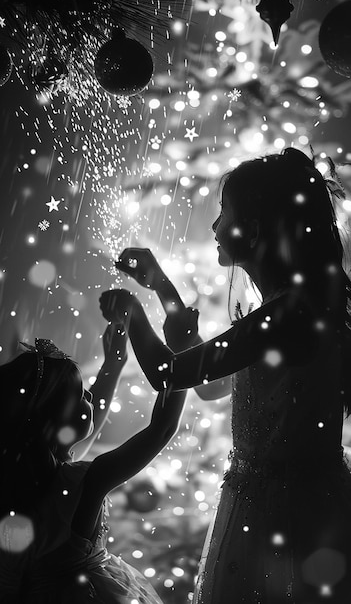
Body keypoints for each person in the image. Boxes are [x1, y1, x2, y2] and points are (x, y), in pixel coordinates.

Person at [100, 147, 351, 603]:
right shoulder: (285, 309)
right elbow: (213, 389)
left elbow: (166, 374)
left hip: (285, 514)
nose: (215, 226)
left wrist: (134, 312)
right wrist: (165, 291)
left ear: (253, 231)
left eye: (224, 213)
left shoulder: (286, 315)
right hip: (272, 501)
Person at [0, 308, 196, 603]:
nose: (90, 395)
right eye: (81, 395)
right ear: (57, 424)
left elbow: (89, 421)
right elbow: (162, 429)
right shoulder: (88, 480)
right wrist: (183, 351)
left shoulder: (21, 482)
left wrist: (114, 363)